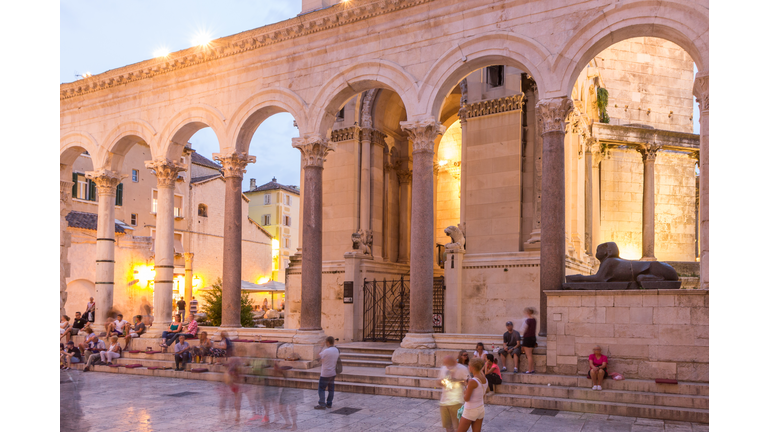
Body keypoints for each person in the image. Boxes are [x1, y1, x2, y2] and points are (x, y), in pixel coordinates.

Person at [438, 355, 469, 432]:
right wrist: (442, 383)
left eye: (449, 364)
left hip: (457, 401)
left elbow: (468, 382)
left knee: (458, 426)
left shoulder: (462, 369)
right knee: (448, 425)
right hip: (444, 401)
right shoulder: (443, 368)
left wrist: (456, 381)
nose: (447, 366)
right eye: (445, 364)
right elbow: (439, 381)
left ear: (455, 362)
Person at [457, 358, 488, 432]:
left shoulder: (472, 381)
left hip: (470, 410)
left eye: (469, 365)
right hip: (480, 409)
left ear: (473, 367)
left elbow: (466, 398)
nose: (468, 367)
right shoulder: (485, 379)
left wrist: (464, 392)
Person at [315, 336, 339, 410]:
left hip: (325, 373)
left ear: (327, 342)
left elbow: (317, 356)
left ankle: (322, 404)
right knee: (331, 389)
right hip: (333, 372)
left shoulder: (326, 351)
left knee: (321, 388)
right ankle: (329, 403)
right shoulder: (336, 350)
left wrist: (321, 347)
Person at [520, 307, 537, 374]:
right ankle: (532, 369)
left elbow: (523, 329)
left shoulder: (527, 320)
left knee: (528, 355)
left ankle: (529, 370)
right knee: (530, 355)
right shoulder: (534, 320)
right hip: (533, 338)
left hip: (527, 338)